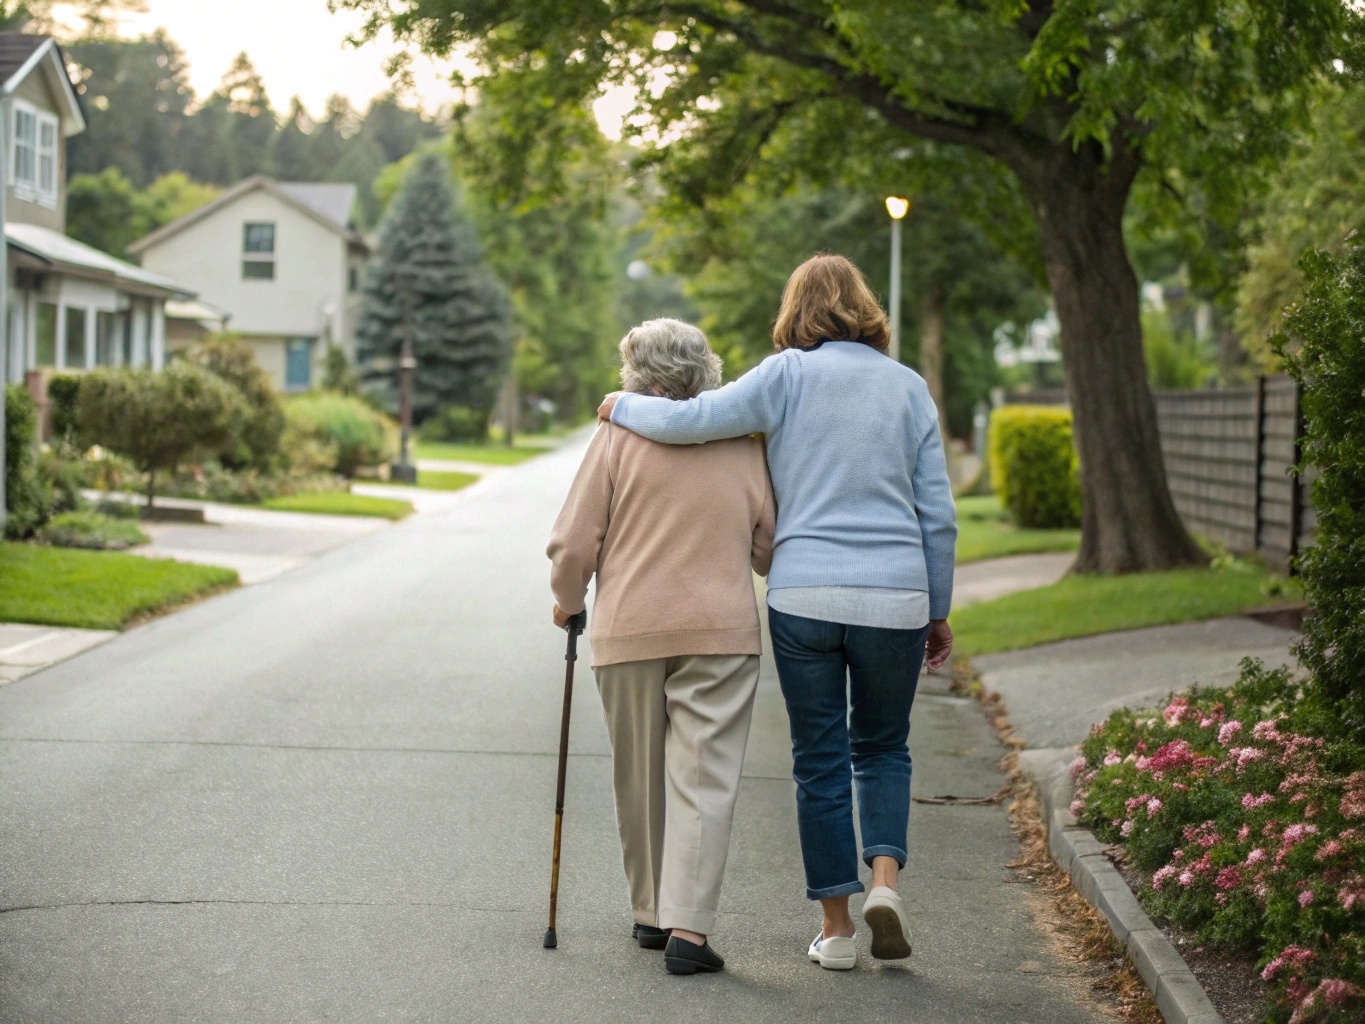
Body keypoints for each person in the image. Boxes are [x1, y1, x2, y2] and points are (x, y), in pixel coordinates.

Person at [598, 254, 957, 971]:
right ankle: (884, 882)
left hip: (803, 595)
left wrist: (621, 406)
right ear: (865, 308)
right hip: (895, 595)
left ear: (797, 310)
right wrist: (937, 611)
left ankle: (837, 932)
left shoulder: (784, 375)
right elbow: (937, 515)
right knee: (883, 748)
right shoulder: (909, 388)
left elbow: (694, 419)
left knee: (818, 759)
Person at [547, 318, 776, 976]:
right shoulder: (741, 439)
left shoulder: (615, 435)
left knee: (640, 775)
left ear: (635, 375)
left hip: (628, 631)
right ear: (706, 369)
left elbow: (572, 544)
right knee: (702, 779)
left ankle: (649, 912)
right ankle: (688, 930)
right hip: (720, 633)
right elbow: (765, 547)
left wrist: (567, 600)